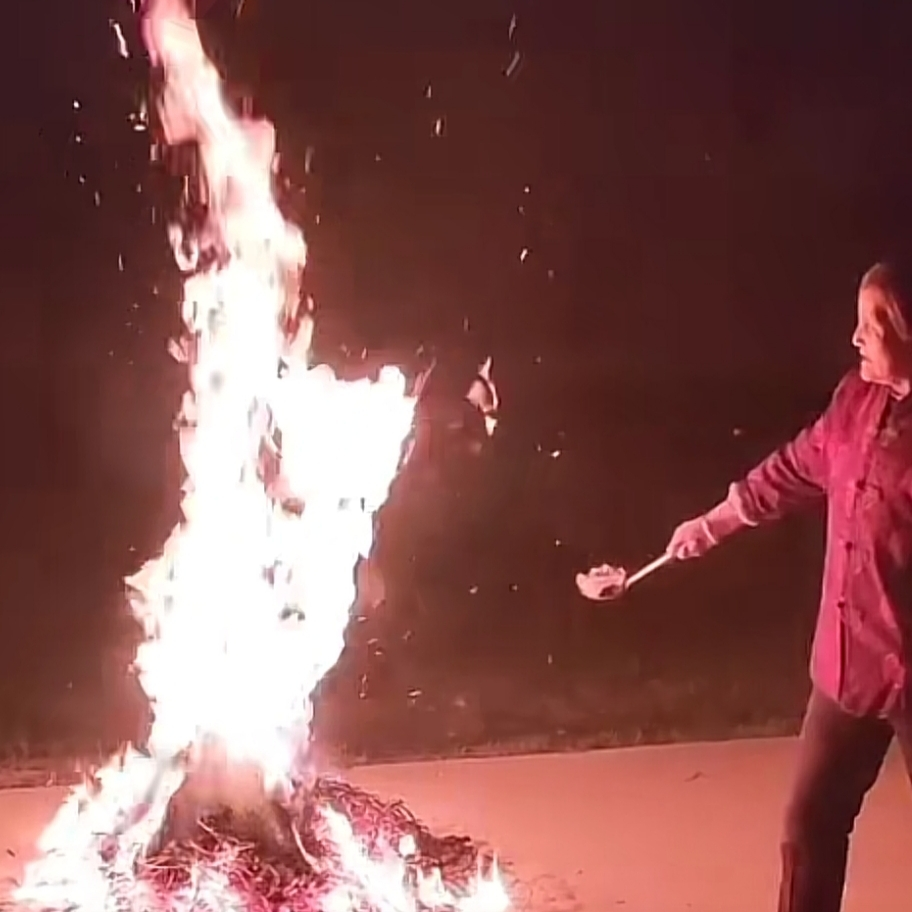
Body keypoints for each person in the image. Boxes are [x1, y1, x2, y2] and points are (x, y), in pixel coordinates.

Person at [665, 259, 912, 912]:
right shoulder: (855, 401)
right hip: (848, 663)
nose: (855, 337)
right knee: (809, 828)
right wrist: (710, 526)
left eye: (872, 325)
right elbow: (796, 468)